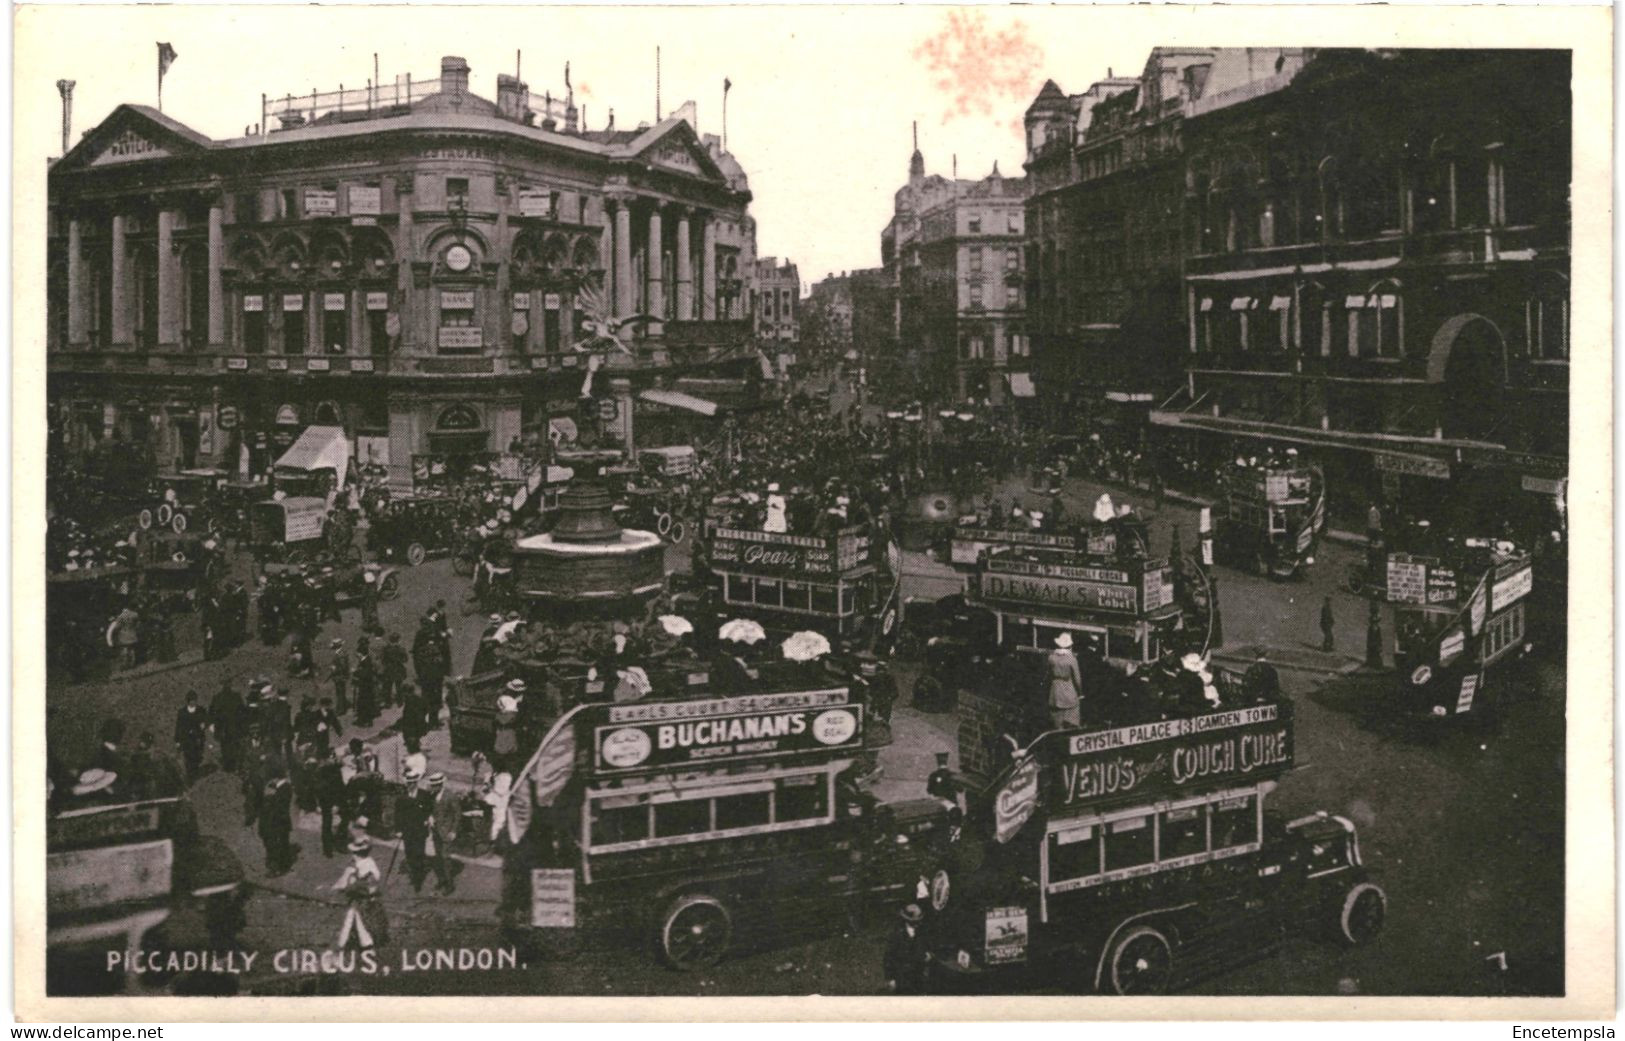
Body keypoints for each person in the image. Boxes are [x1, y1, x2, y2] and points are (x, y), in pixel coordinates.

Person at [333, 837, 389, 950]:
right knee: (355, 918)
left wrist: (336, 887)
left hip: (359, 898)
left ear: (356, 853)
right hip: (371, 898)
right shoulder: (371, 862)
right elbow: (376, 879)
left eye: (354, 853)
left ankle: (347, 943)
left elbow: (345, 884)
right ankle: (363, 941)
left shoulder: (354, 868)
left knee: (355, 918)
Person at [419, 772, 457, 895]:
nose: (433, 787)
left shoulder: (450, 796)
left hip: (447, 832)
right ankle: (442, 880)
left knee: (446, 858)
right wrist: (429, 817)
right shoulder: (432, 795)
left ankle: (449, 885)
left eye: (435, 785)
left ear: (441, 785)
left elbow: (457, 814)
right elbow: (430, 809)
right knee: (437, 858)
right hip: (436, 831)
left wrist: (453, 830)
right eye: (432, 785)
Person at [394, 767, 430, 893]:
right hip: (407, 831)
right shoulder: (402, 798)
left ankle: (418, 881)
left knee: (419, 855)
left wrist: (427, 819)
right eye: (408, 782)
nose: (411, 785)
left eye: (413, 782)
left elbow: (429, 809)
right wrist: (398, 829)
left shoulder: (424, 795)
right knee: (409, 855)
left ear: (417, 782)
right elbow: (397, 815)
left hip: (420, 831)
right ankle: (413, 875)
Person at [883, 904, 931, 995]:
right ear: (907, 920)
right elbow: (888, 958)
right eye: (914, 922)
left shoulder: (921, 932)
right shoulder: (896, 935)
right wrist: (890, 978)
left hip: (917, 974)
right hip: (901, 975)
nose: (917, 924)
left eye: (919, 921)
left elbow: (925, 947)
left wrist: (927, 955)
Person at [314, 744, 348, 857]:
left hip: (325, 800)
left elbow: (317, 788)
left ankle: (327, 849)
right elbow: (337, 786)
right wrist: (337, 803)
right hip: (334, 799)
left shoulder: (319, 769)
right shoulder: (331, 768)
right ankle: (340, 843)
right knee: (345, 817)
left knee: (326, 822)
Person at [258, 773, 295, 876]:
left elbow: (278, 807)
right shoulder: (280, 787)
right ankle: (281, 866)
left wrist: (269, 796)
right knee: (280, 844)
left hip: (276, 822)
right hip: (277, 822)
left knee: (276, 845)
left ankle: (277, 868)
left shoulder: (283, 788)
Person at [1047, 633, 1083, 730]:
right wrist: (1080, 693)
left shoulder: (1051, 658)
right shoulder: (1071, 659)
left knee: (1057, 724)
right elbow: (1077, 679)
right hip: (1069, 692)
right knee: (1072, 723)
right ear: (1070, 646)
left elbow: (1048, 675)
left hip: (1055, 692)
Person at [174, 690, 209, 781]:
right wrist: (177, 741)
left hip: (198, 740)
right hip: (187, 741)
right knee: (188, 759)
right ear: (188, 701)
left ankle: (194, 774)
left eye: (194, 700)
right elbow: (178, 727)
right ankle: (191, 777)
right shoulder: (182, 712)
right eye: (191, 700)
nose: (193, 702)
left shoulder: (201, 710)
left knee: (197, 758)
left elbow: (205, 721)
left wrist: (204, 725)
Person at [380, 632, 409, 708]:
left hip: (389, 669)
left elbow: (383, 660)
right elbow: (405, 659)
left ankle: (388, 703)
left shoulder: (386, 649)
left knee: (388, 687)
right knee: (399, 686)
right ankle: (400, 702)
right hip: (398, 669)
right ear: (398, 640)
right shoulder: (401, 649)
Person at [328, 639, 351, 718]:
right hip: (340, 676)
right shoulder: (340, 653)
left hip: (340, 676)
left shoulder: (340, 654)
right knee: (340, 692)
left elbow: (343, 666)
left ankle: (340, 710)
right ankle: (342, 707)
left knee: (340, 692)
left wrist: (334, 668)